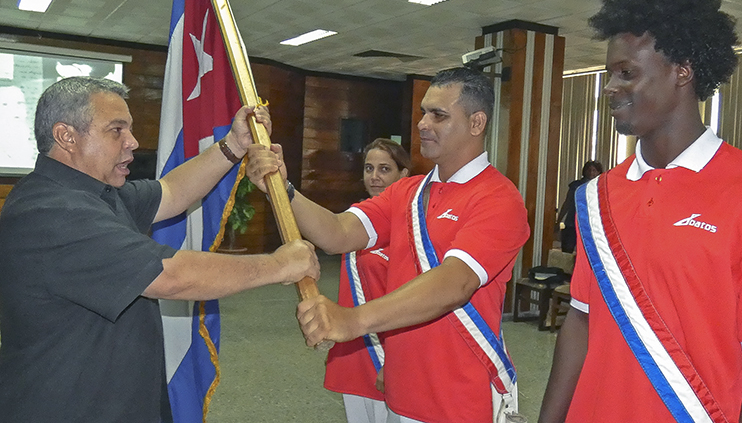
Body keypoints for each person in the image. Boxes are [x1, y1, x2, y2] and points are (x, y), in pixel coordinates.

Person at [0, 77, 320, 422]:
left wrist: (233, 145)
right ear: (66, 136)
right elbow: (171, 276)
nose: (132, 142)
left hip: (113, 397)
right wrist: (278, 265)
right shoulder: (50, 211)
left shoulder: (95, 193)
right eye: (116, 130)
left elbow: (171, 191)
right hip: (68, 406)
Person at [538, 0, 742, 422]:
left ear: (682, 71)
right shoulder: (596, 197)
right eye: (609, 74)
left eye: (626, 72)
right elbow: (580, 323)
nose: (610, 87)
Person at [247, 67, 530, 423]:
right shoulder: (407, 192)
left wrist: (352, 320)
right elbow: (337, 233)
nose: (423, 123)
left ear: (476, 123)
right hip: (402, 391)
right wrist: (283, 189)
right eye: (423, 112)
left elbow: (454, 283)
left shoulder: (498, 199)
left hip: (462, 397)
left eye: (438, 115)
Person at [324, 138, 411, 423]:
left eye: (385, 169)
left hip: (391, 351)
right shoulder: (355, 220)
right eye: (369, 168)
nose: (374, 176)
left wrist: (397, 360)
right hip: (354, 349)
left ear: (403, 175)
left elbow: (411, 301)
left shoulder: (411, 229)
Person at [555, 160, 602, 253]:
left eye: (594, 170)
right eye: (589, 170)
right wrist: (559, 220)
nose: (591, 173)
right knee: (567, 250)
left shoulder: (600, 187)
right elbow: (567, 203)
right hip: (572, 222)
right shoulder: (576, 186)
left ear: (599, 172)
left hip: (591, 224)